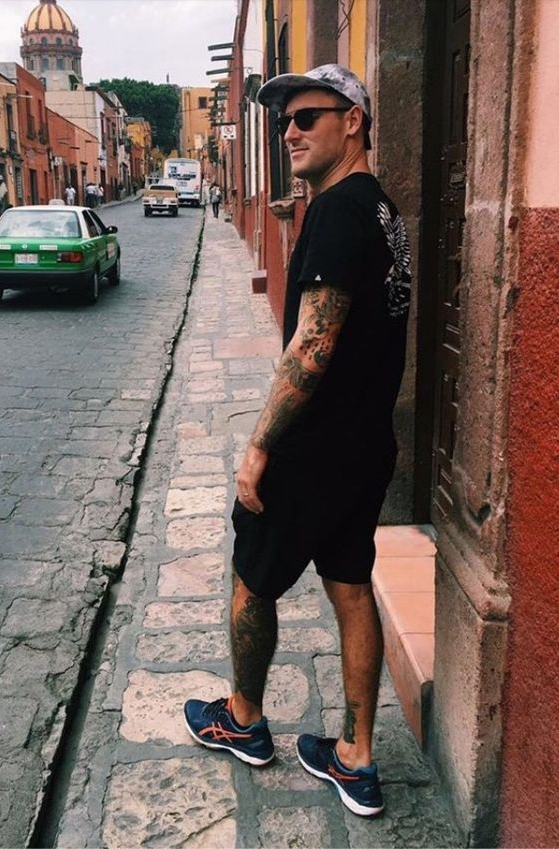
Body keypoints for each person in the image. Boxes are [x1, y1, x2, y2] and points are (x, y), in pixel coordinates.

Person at [183, 64, 412, 818]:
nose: (289, 131)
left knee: (253, 577)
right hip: (365, 446)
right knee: (350, 588)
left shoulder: (341, 212)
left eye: (306, 116)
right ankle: (356, 757)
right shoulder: (378, 210)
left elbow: (311, 350)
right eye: (283, 120)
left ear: (353, 121)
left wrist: (257, 449)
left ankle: (243, 718)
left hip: (313, 451)